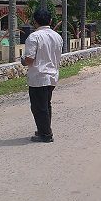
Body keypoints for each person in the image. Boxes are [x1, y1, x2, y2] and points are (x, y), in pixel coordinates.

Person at [21, 8, 63, 142]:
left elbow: (29, 59)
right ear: (50, 20)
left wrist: (22, 60)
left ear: (35, 22)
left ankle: (46, 134)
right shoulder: (57, 36)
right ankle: (43, 129)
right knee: (46, 105)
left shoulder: (34, 37)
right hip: (52, 75)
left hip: (38, 77)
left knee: (39, 107)